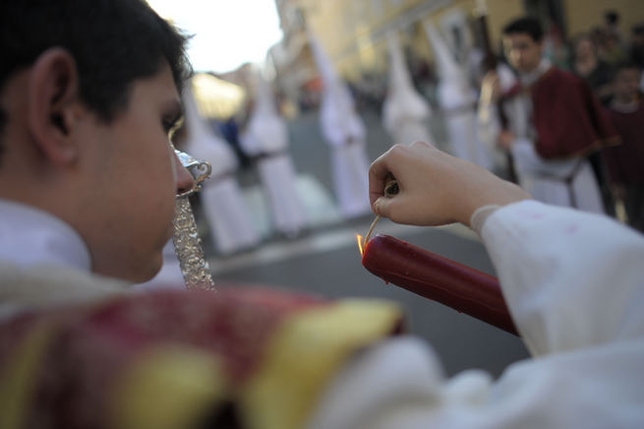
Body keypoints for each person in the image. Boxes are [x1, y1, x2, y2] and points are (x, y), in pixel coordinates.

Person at [1, 2, 643, 428]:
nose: (185, 173)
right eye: (164, 127)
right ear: (59, 110)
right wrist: (488, 197)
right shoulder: (223, 374)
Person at [478, 17, 619, 214]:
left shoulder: (566, 86)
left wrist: (515, 145)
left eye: (523, 46)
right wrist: (488, 103)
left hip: (567, 189)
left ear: (541, 44)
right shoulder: (514, 91)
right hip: (532, 189)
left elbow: (558, 151)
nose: (517, 55)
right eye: (510, 49)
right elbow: (493, 142)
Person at [602, 62, 644, 232]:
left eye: (634, 80)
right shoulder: (608, 117)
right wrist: (615, 182)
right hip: (628, 181)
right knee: (634, 223)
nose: (631, 85)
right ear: (613, 84)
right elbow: (609, 153)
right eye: (625, 80)